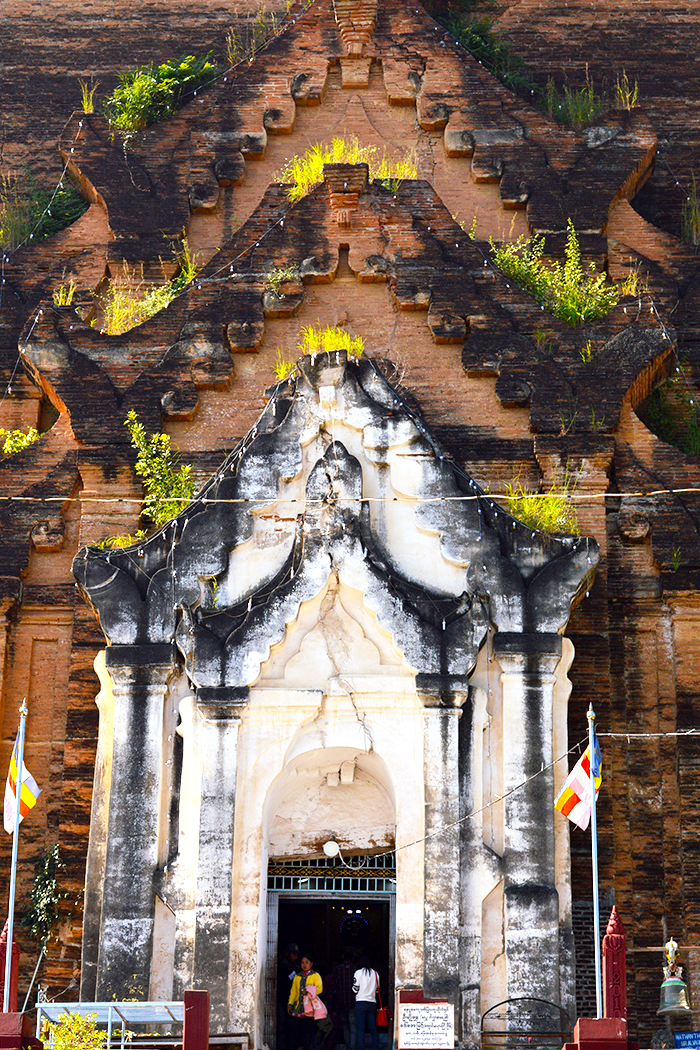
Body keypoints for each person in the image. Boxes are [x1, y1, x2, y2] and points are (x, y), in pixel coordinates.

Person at [288, 953, 323, 1050]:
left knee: (307, 1031)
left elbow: (319, 988)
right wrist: (290, 1004)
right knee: (295, 1030)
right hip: (297, 1007)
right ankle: (298, 1047)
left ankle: (306, 1047)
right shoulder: (297, 976)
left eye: (307, 963)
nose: (304, 965)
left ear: (311, 964)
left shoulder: (315, 976)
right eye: (302, 963)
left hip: (309, 1008)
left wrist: (308, 990)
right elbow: (293, 992)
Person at [326, 946, 356, 1049]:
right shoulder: (356, 969)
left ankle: (348, 1046)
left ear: (343, 956)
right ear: (353, 957)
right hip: (353, 1002)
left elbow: (334, 988)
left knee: (345, 1025)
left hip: (341, 1001)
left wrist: (334, 1006)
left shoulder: (337, 969)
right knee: (353, 1026)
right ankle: (352, 1047)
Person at [352, 955, 379, 1050]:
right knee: (373, 1029)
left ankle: (361, 1048)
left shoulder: (358, 973)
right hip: (372, 1003)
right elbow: (377, 990)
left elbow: (355, 989)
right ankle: (375, 1048)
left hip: (360, 1003)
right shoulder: (375, 973)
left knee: (360, 1029)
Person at [278, 943, 300, 1050]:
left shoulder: (293, 966)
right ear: (287, 954)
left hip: (291, 1001)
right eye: (293, 954)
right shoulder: (283, 965)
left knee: (291, 1026)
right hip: (284, 1000)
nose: (295, 957)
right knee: (284, 1026)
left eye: (296, 955)